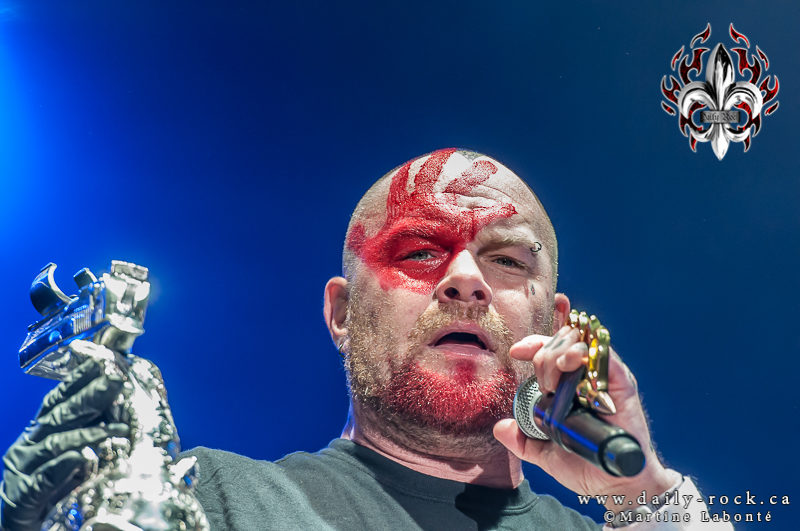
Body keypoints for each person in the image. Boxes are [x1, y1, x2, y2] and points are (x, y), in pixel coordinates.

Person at [1, 149, 731, 530]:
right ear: (342, 313)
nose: (466, 280)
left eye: (508, 260)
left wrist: (643, 495)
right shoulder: (210, 501)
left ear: (553, 322)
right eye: (420, 251)